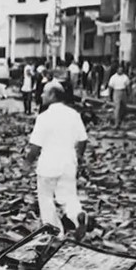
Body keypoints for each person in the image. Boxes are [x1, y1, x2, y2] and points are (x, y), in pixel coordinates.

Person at [25, 80, 90, 237]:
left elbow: (35, 147)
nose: (41, 95)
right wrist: (79, 156)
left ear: (53, 95)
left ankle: (54, 232)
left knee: (46, 199)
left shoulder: (44, 117)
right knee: (69, 196)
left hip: (48, 164)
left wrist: (28, 161)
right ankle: (77, 216)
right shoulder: (73, 115)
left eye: (44, 92)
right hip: (68, 162)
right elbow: (83, 140)